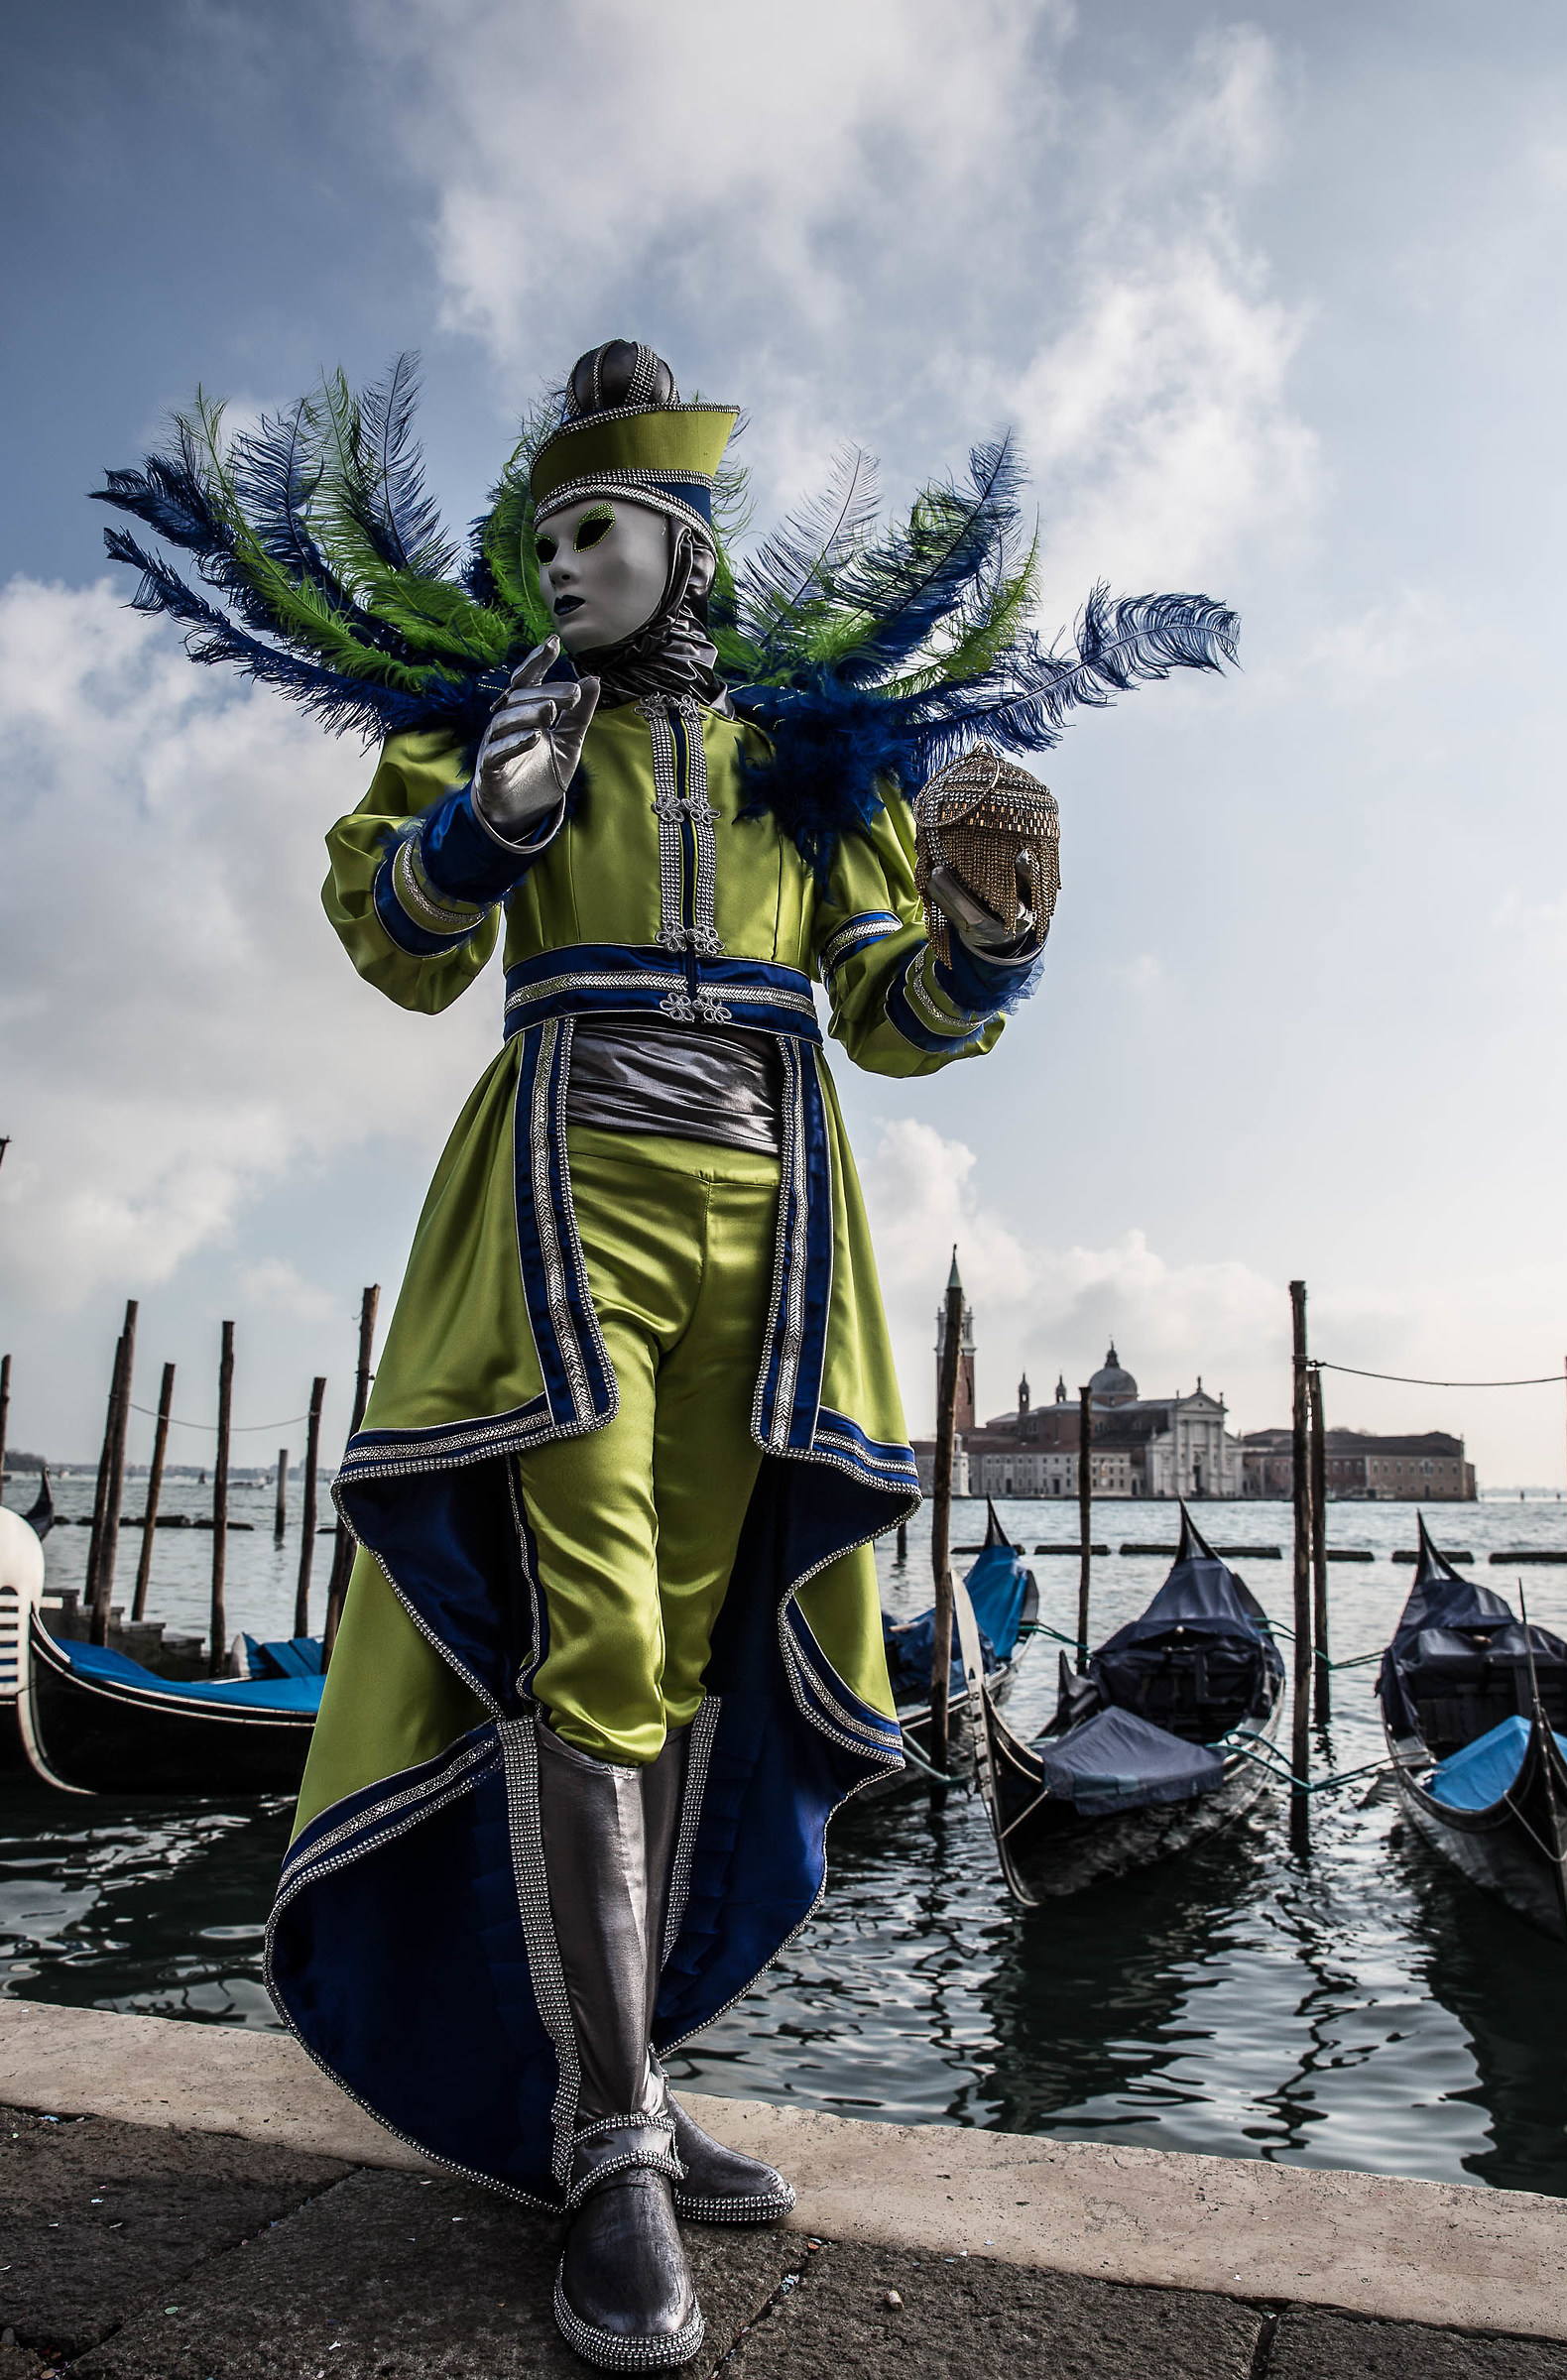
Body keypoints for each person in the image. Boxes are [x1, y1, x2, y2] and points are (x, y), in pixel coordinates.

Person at [95, 340, 1236, 2368]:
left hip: (780, 1244)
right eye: (535, 535)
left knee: (698, 1648)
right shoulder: (487, 717)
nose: (556, 566)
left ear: (683, 546)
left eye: (592, 531)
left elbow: (887, 1014)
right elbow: (397, 937)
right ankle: (614, 2136)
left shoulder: (824, 757)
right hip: (561, 1221)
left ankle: (609, 2081)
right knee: (593, 1645)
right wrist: (490, 822)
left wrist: (988, 937)